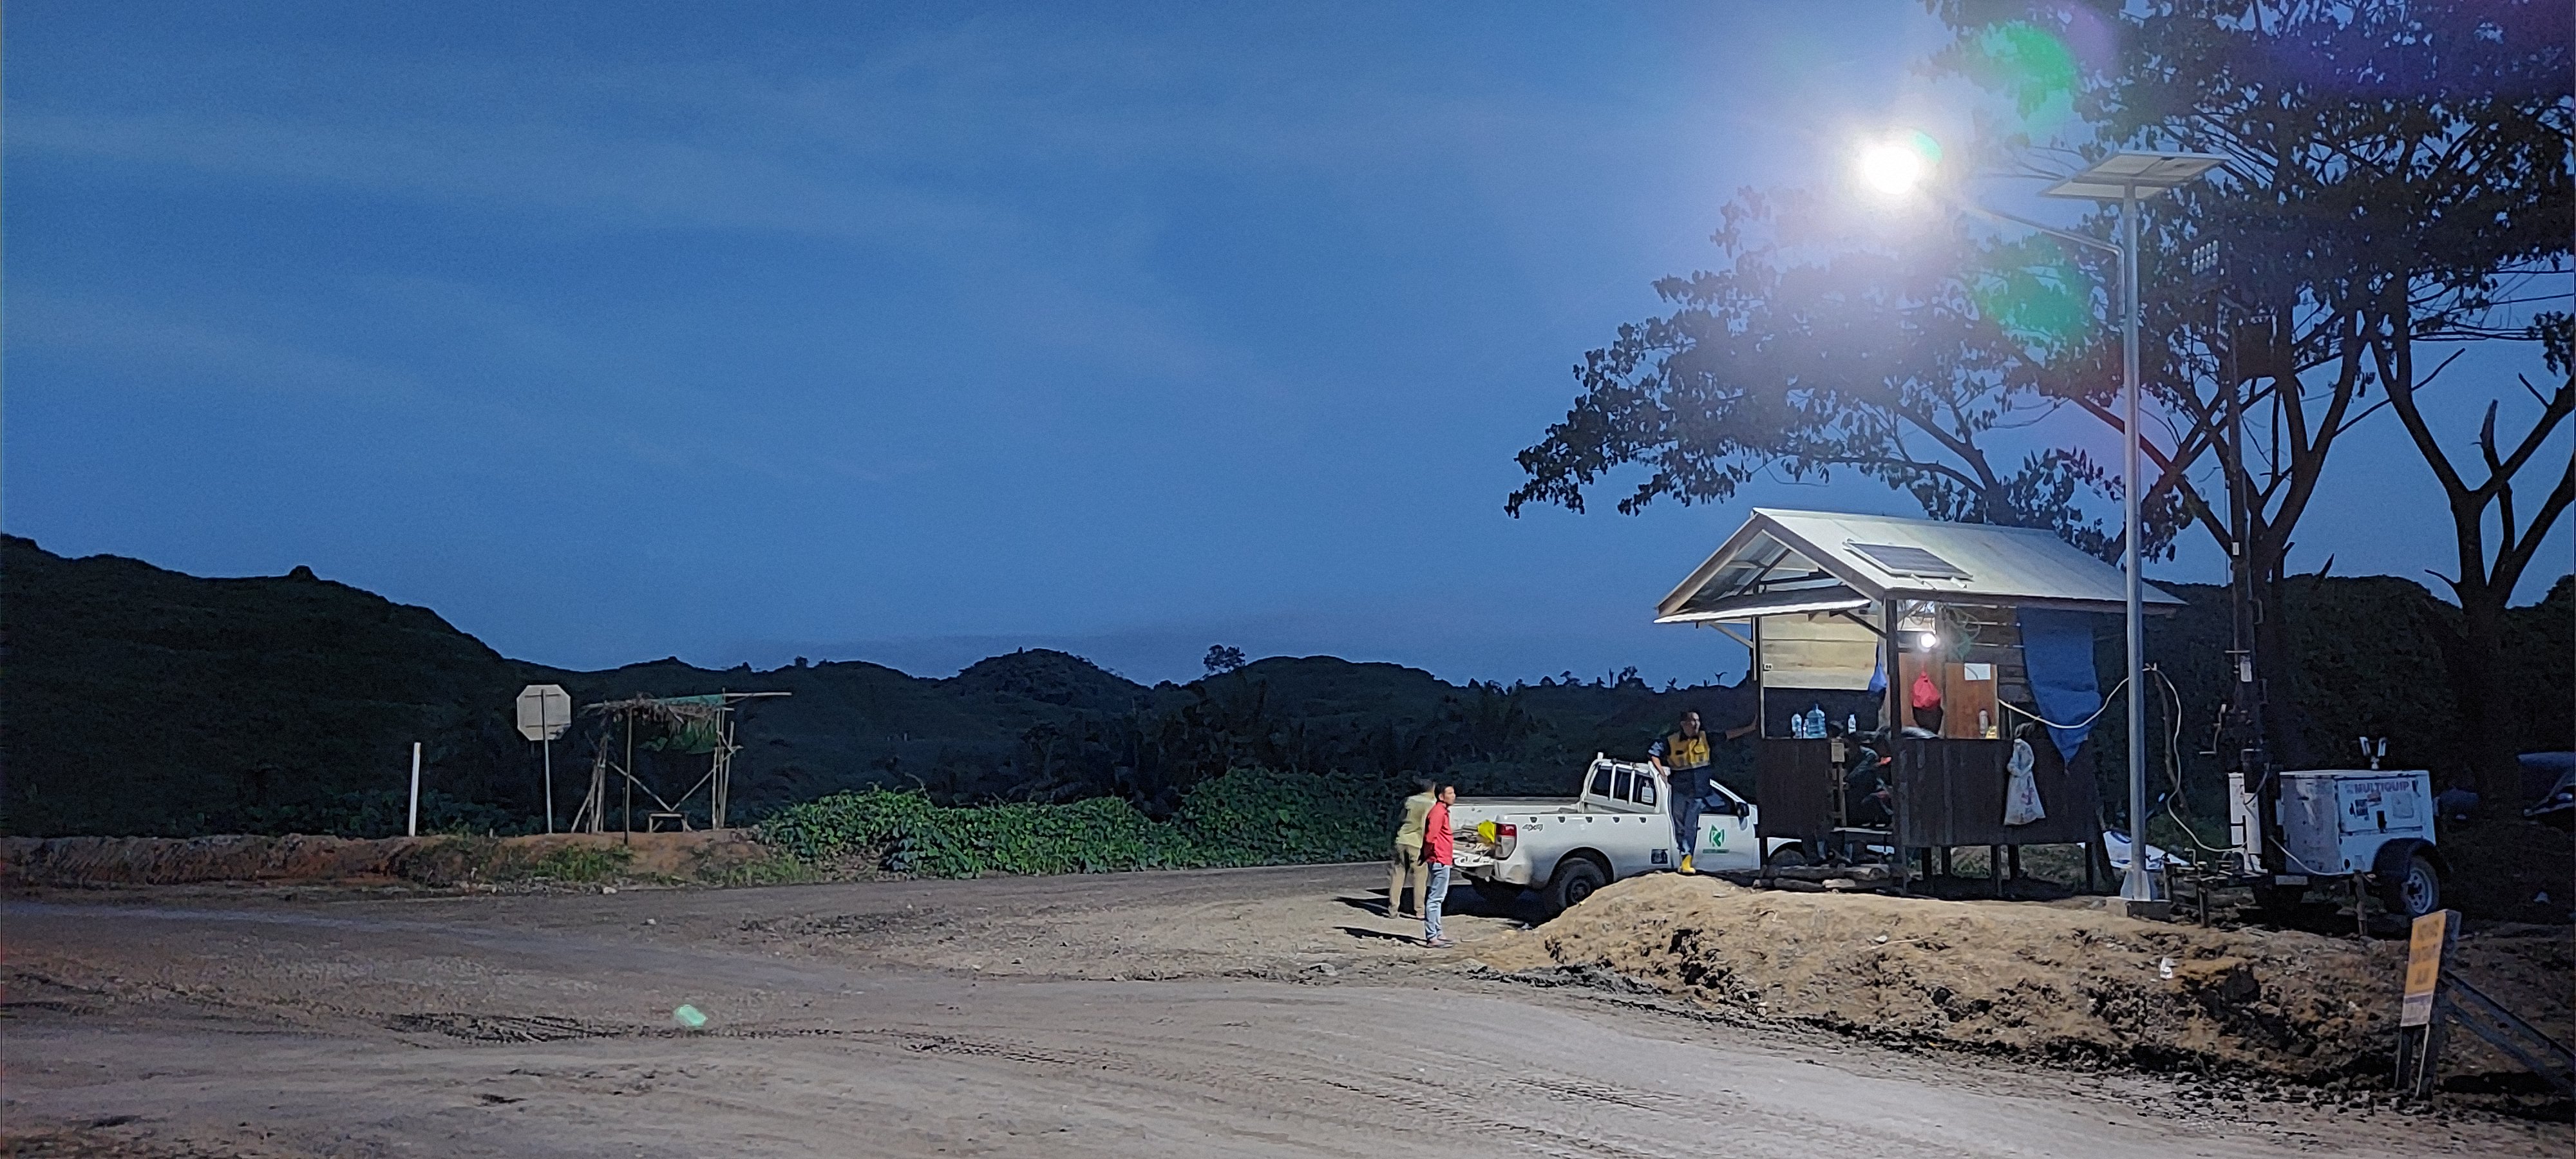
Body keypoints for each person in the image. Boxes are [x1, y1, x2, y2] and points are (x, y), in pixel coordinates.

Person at [1647, 711, 1713, 874]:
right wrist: (1662, 773)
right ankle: (1682, 858)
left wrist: (1749, 728)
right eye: (1692, 721)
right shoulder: (1671, 741)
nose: (1696, 724)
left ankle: (1686, 860)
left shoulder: (1705, 738)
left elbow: (1728, 735)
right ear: (1683, 724)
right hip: (1679, 790)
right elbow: (1654, 754)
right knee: (1679, 826)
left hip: (1698, 792)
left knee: (1690, 826)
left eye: (1698, 721)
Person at [1386, 778, 1435, 918]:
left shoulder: (1409, 800)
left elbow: (1399, 819)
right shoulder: (1432, 804)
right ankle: (1419, 910)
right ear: (1432, 788)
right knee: (1420, 876)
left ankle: (1393, 908)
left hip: (1401, 840)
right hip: (1417, 842)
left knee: (1398, 873)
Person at [1421, 783, 1457, 948]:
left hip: (1442, 858)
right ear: (1441, 796)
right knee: (1435, 899)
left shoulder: (1442, 811)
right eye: (1450, 793)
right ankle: (1432, 937)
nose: (1454, 796)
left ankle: (1438, 932)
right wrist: (1432, 854)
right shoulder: (1438, 812)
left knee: (1439, 898)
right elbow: (1430, 837)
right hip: (1439, 859)